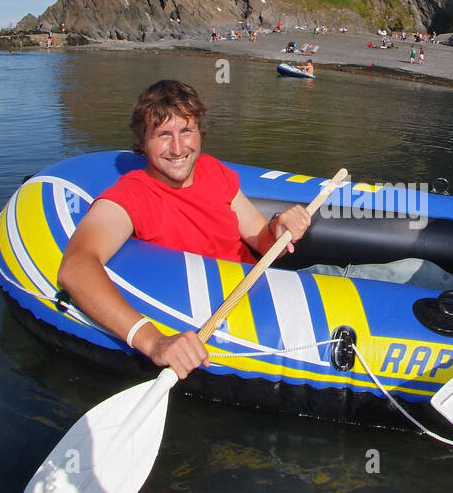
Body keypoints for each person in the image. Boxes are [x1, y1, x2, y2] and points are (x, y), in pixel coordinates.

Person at [57, 80, 314, 379]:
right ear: (142, 142)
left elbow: (263, 239)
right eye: (163, 135)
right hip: (230, 315)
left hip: (269, 288)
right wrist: (154, 342)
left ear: (199, 133)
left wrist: (280, 225)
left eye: (186, 131)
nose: (178, 148)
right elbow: (75, 267)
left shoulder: (213, 170)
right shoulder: (131, 197)